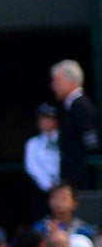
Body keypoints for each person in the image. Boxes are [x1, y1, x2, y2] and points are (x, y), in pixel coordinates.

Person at [51, 59, 98, 192]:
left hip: (82, 183)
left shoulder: (81, 106)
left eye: (57, 82)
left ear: (71, 81)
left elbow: (92, 145)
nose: (53, 87)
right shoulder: (72, 107)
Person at [25, 102, 62, 212]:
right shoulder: (32, 143)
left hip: (64, 190)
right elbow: (32, 167)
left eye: (49, 118)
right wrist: (49, 186)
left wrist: (60, 185)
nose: (45, 122)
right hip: (42, 192)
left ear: (55, 120)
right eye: (42, 118)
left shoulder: (65, 140)